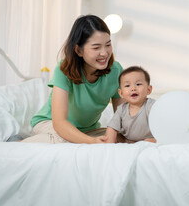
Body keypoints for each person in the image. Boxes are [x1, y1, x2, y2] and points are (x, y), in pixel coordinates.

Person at [22, 15, 124, 144]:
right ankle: (18, 143)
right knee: (66, 142)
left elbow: (122, 116)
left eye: (108, 45)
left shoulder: (116, 70)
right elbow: (59, 123)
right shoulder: (63, 70)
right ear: (79, 50)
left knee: (119, 139)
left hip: (88, 130)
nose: (104, 53)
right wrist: (91, 142)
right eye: (96, 47)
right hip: (51, 123)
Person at [105, 66, 157, 143]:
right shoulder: (121, 109)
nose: (133, 88)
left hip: (148, 139)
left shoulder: (151, 106)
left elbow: (163, 123)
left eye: (138, 84)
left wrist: (156, 139)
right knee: (111, 137)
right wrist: (109, 145)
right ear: (121, 93)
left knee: (157, 139)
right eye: (127, 86)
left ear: (148, 90)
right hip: (127, 139)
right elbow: (112, 128)